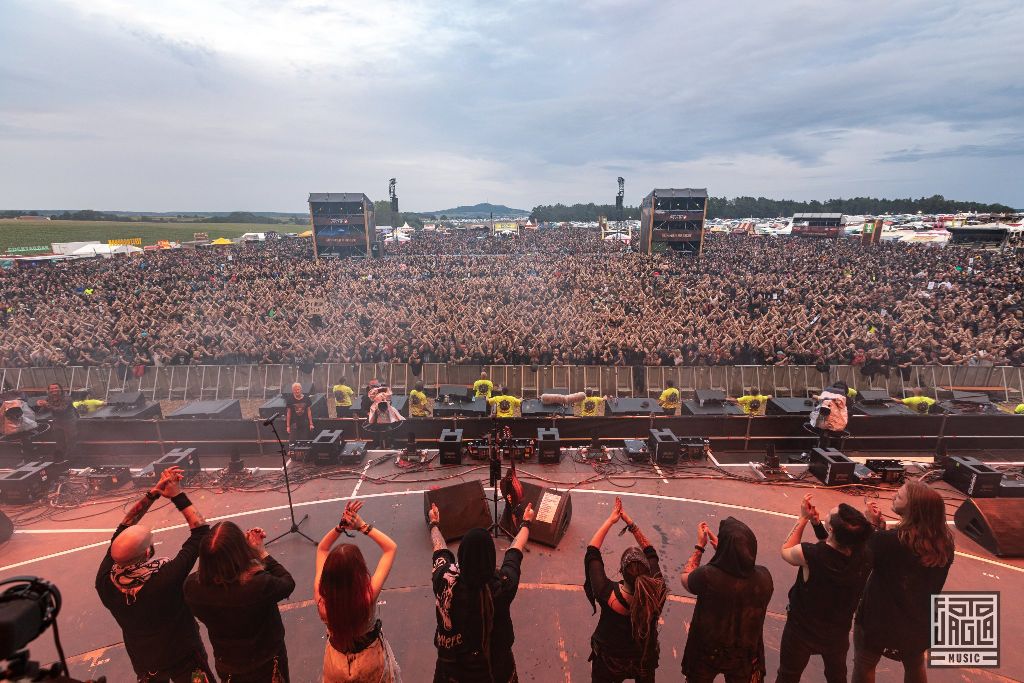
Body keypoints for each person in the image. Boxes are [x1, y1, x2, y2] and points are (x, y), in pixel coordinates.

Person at [96, 466, 213, 683]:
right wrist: (176, 494)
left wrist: (153, 493)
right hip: (185, 659)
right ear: (148, 552)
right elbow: (201, 532)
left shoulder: (105, 580)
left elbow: (123, 529)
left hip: (146, 665)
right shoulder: (165, 579)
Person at [852, 482, 955, 683]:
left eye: (899, 496)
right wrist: (880, 531)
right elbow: (904, 559)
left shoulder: (886, 541)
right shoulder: (944, 545)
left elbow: (863, 559)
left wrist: (872, 527)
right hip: (918, 621)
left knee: (865, 662)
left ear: (913, 509)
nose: (893, 496)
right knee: (915, 663)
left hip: (879, 620)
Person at [429, 500, 535, 683]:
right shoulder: (502, 586)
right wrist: (526, 523)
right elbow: (514, 551)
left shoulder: (444, 578)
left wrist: (434, 524)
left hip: (452, 673)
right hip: (496, 671)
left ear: (461, 556)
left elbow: (440, 549)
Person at [777, 494, 876, 683]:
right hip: (837, 633)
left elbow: (786, 551)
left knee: (788, 675)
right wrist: (817, 526)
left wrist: (803, 518)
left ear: (831, 529)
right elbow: (837, 549)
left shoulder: (811, 554)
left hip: (801, 631)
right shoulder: (865, 557)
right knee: (837, 676)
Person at [184, 521, 296, 682]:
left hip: (228, 666)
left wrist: (234, 550)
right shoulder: (258, 585)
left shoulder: (191, 586)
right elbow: (287, 582)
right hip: (267, 664)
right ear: (240, 552)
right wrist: (260, 552)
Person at [316, 500, 401, 682]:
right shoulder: (367, 596)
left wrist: (340, 527)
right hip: (369, 660)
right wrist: (361, 525)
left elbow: (322, 548)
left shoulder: (322, 600)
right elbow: (390, 548)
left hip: (336, 661)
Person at [681, 517, 774, 683]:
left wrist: (699, 547)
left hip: (707, 651)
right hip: (744, 653)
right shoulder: (765, 578)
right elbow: (743, 571)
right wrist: (726, 552)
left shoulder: (708, 576)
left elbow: (685, 578)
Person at [585, 497, 667, 683]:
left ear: (621, 571)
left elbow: (592, 551)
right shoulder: (657, 592)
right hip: (644, 657)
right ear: (648, 571)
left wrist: (611, 520)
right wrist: (631, 524)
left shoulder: (606, 593)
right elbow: (650, 551)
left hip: (610, 659)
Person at [37, 382, 79, 459]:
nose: (54, 390)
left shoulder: (66, 397)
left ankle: (72, 458)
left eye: (56, 388)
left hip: (69, 421)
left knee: (70, 441)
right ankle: (61, 457)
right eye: (52, 388)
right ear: (49, 390)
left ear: (60, 389)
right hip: (57, 422)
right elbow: (43, 411)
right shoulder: (49, 398)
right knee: (59, 441)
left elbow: (61, 409)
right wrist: (40, 405)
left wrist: (46, 404)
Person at [809, 381, 850, 449]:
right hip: (837, 428)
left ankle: (820, 449)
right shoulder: (847, 400)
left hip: (821, 425)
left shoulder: (824, 396)